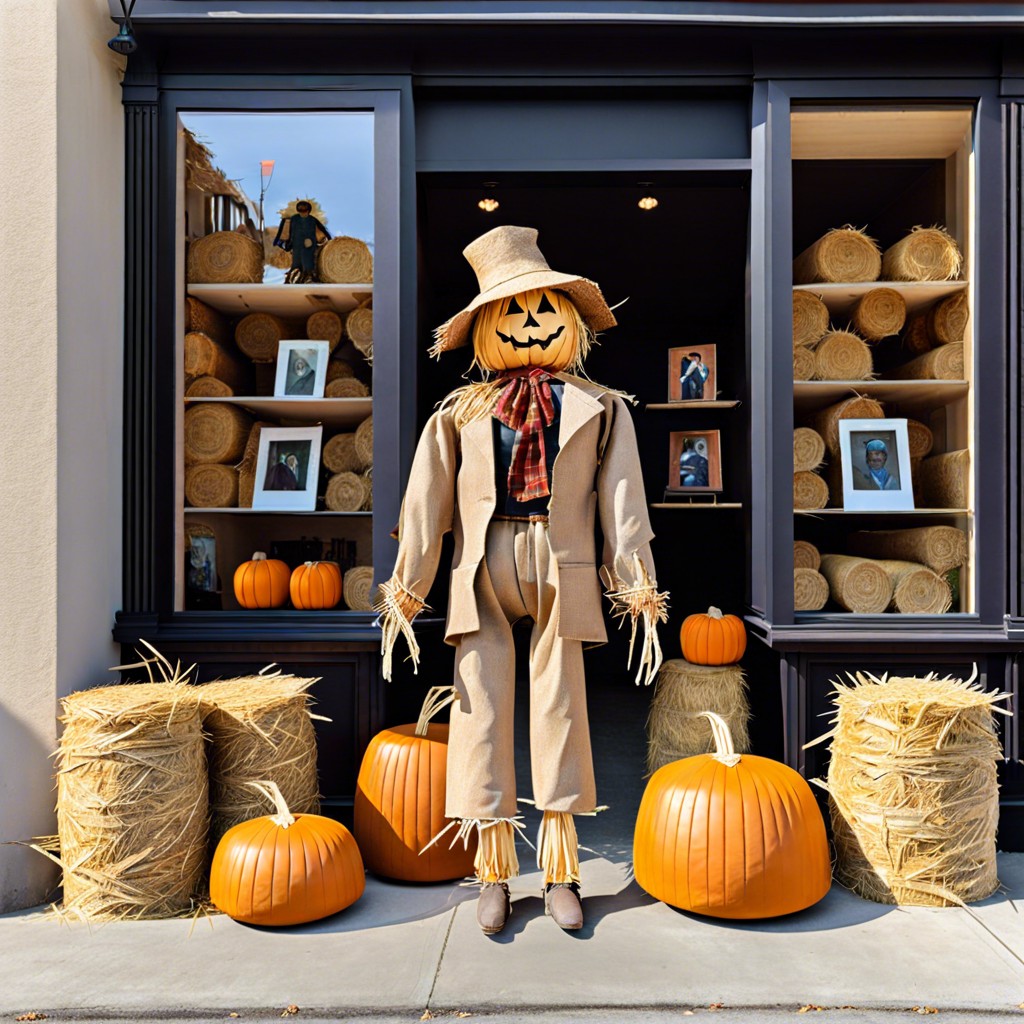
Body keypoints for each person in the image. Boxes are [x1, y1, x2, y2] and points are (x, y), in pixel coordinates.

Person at [377, 225, 667, 936]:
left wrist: (635, 581)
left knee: (561, 713)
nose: (529, 322)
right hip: (482, 569)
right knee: (480, 719)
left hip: (561, 564)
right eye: (511, 310)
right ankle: (495, 874)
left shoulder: (602, 408)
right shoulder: (459, 412)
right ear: (485, 328)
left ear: (566, 319)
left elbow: (623, 500)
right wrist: (407, 585)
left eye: (541, 309)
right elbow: (426, 504)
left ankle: (564, 871)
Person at [273, 200, 331, 283]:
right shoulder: (293, 219)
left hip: (309, 245)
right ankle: (292, 278)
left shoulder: (312, 220)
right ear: (298, 210)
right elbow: (287, 230)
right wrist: (279, 240)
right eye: (301, 210)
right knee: (296, 263)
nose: (303, 213)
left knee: (308, 263)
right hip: (297, 244)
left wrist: (329, 240)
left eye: (305, 210)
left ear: (308, 211)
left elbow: (322, 229)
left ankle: (309, 277)